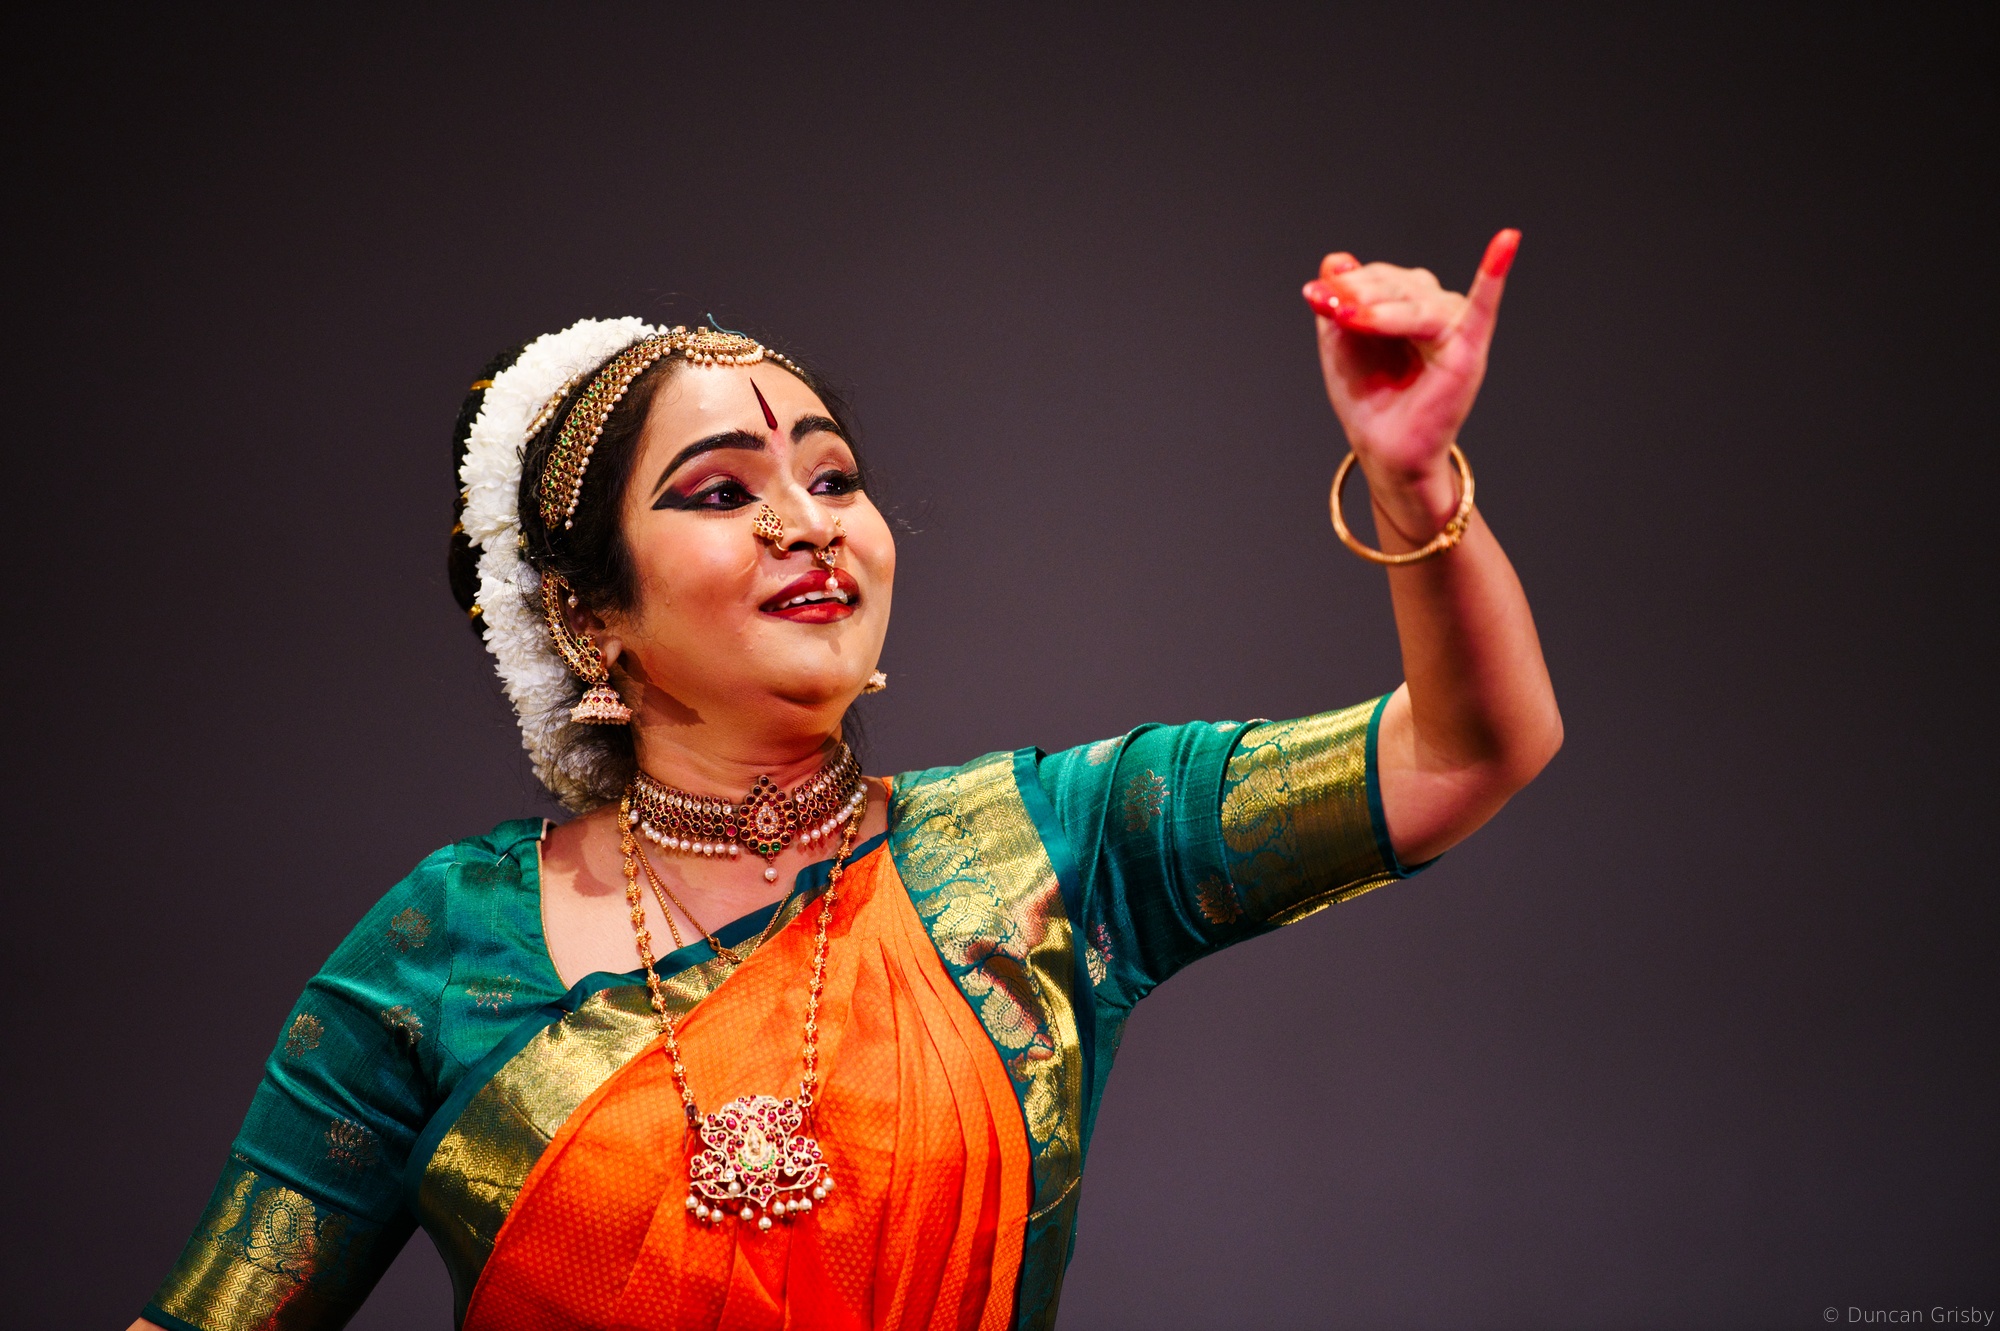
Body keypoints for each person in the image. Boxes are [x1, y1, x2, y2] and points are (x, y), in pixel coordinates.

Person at [135, 230, 1561, 1331]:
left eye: (832, 478)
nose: (806, 525)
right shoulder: (442, 954)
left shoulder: (1046, 846)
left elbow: (1464, 750)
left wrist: (1415, 483)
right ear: (587, 615)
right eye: (721, 492)